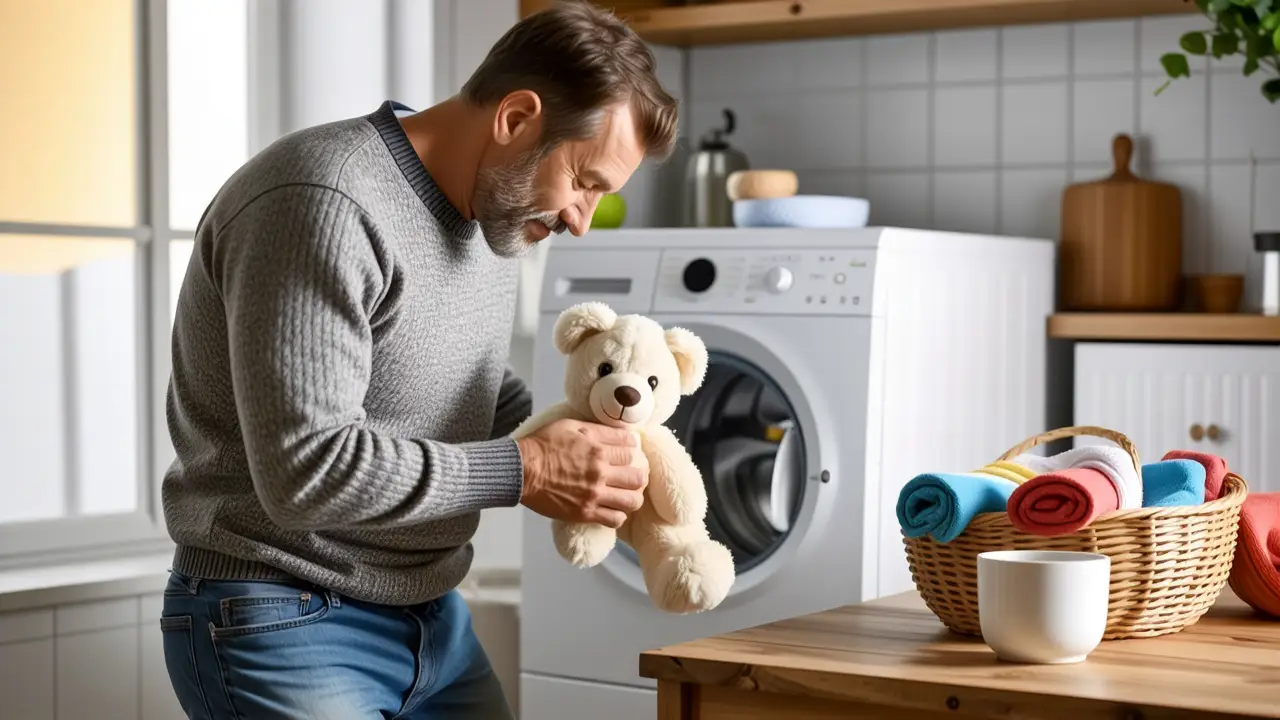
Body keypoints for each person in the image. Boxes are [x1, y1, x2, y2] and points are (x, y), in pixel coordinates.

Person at [158, 2, 679, 717]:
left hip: (431, 615)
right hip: (280, 613)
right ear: (516, 118)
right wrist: (532, 467)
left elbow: (463, 383)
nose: (581, 220)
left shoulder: (493, 215)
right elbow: (306, 470)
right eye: (586, 182)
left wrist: (588, 432)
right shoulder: (325, 199)